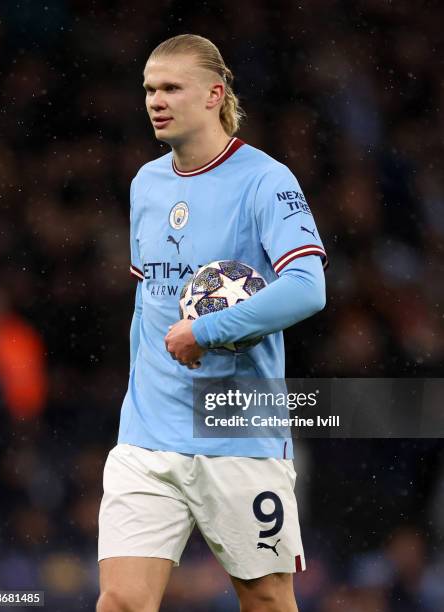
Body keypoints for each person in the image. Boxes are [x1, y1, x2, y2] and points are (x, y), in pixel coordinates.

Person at [97, 34, 328, 612]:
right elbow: (149, 298)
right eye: (149, 89)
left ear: (214, 95)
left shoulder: (266, 181)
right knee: (122, 601)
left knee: (268, 601)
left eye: (172, 87)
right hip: (147, 436)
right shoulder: (145, 185)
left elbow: (307, 289)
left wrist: (204, 331)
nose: (156, 100)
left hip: (238, 433)